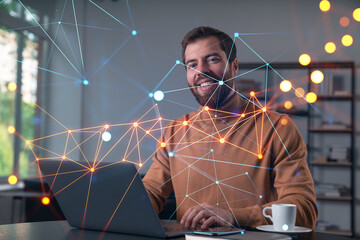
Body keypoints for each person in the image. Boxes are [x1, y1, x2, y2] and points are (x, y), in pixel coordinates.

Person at [143, 26, 318, 230]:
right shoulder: (174, 132)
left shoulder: (278, 128)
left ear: (234, 66)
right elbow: (150, 193)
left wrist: (233, 217)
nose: (201, 70)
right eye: (192, 64)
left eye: (212, 59)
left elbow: (304, 210)